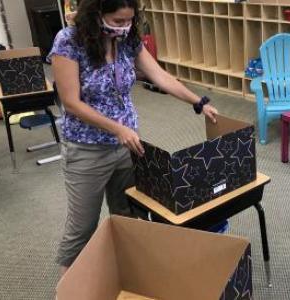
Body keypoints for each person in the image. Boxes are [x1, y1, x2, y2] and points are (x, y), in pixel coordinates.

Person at [49, 0, 218, 275]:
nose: (124, 27)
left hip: (129, 144)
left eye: (129, 21)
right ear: (96, 15)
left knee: (130, 215)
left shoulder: (127, 39)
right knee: (83, 228)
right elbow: (71, 103)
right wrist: (117, 128)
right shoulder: (69, 41)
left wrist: (198, 102)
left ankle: (130, 275)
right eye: (117, 21)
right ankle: (67, 289)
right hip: (86, 149)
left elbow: (160, 76)